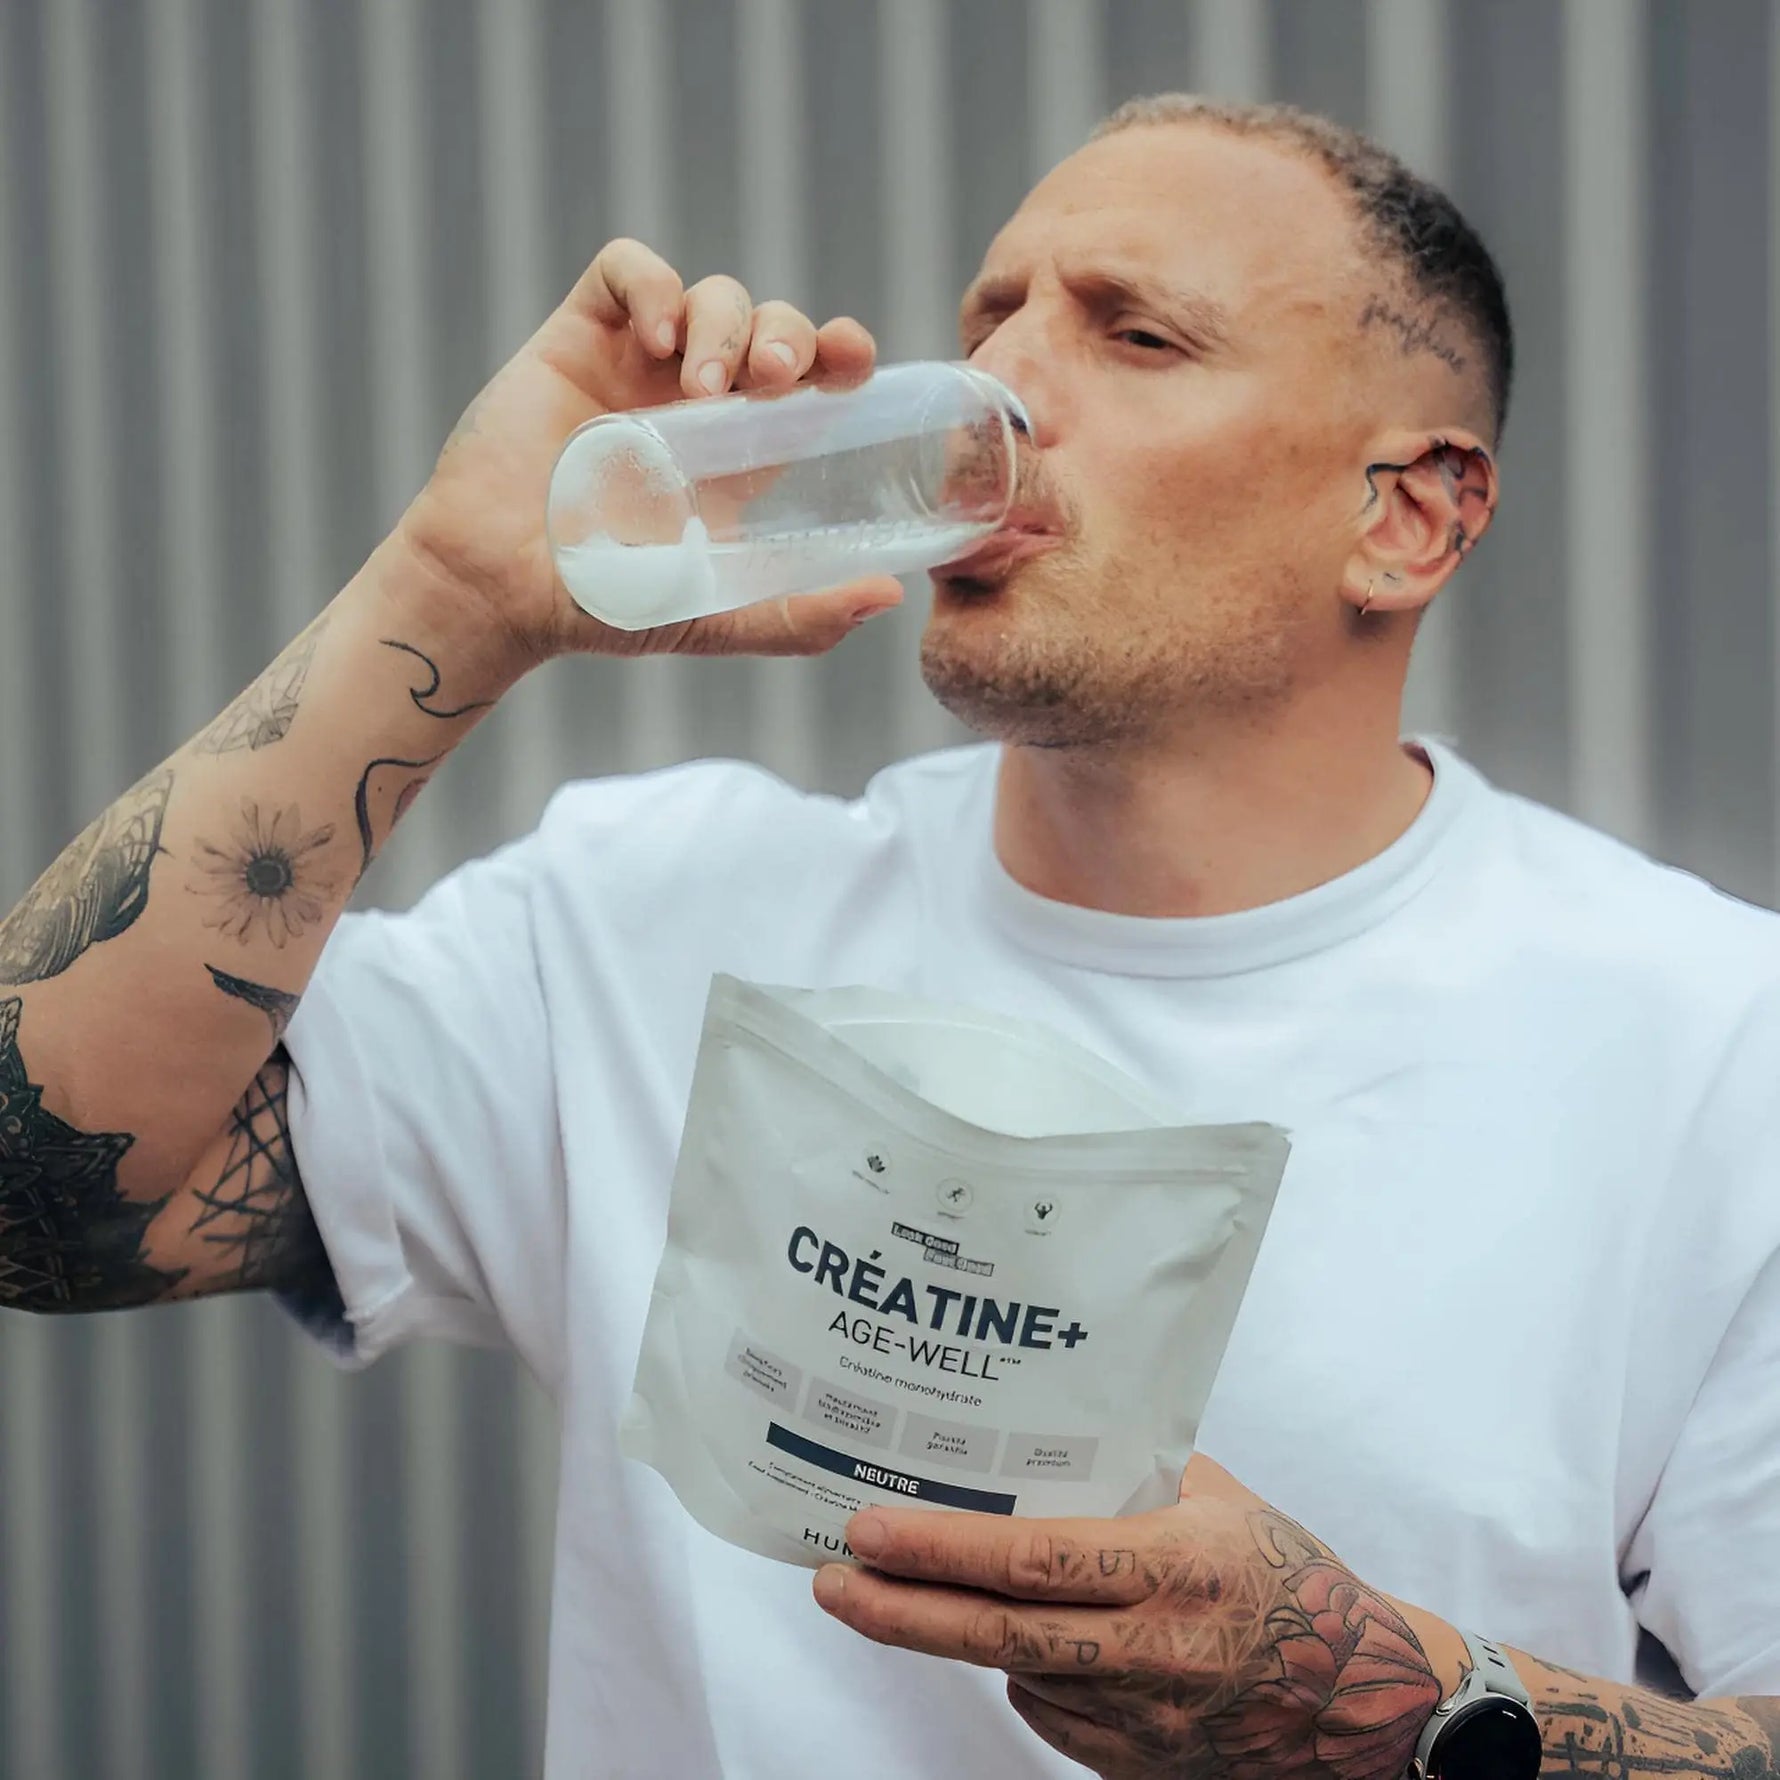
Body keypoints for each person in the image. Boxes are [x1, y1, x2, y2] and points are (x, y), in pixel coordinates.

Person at [2, 92, 1776, 1780]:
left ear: (1404, 514)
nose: (991, 382)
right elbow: (42, 1193)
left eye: (1134, 335)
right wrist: (452, 598)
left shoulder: (1710, 1046)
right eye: (992, 316)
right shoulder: (648, 918)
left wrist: (1391, 1715)